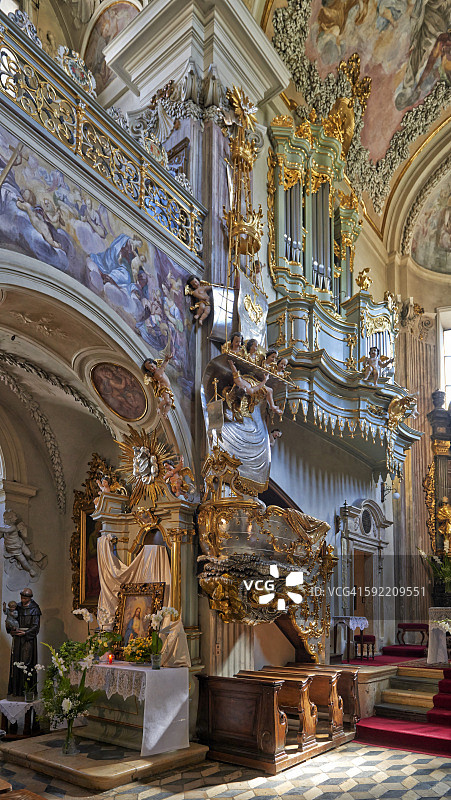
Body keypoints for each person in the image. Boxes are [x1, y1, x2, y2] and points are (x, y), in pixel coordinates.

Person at [7, 588, 41, 698]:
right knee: (16, 663)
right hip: (17, 639)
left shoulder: (35, 609)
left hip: (28, 640)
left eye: (25, 598)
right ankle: (16, 691)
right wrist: (10, 629)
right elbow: (9, 618)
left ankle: (27, 691)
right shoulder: (17, 607)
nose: (22, 599)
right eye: (21, 597)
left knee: (27, 663)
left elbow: (36, 627)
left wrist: (25, 633)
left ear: (30, 598)